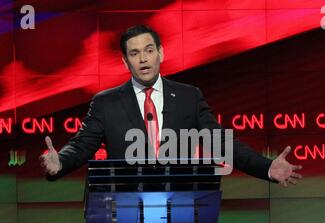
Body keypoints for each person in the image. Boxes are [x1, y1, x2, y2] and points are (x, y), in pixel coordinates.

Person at [40, 24, 302, 186]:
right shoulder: (106, 103)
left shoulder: (189, 97)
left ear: (161, 53)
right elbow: (83, 144)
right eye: (134, 53)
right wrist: (59, 163)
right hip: (125, 207)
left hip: (180, 206)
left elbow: (220, 143)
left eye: (149, 50)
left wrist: (265, 167)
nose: (143, 58)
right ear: (125, 62)